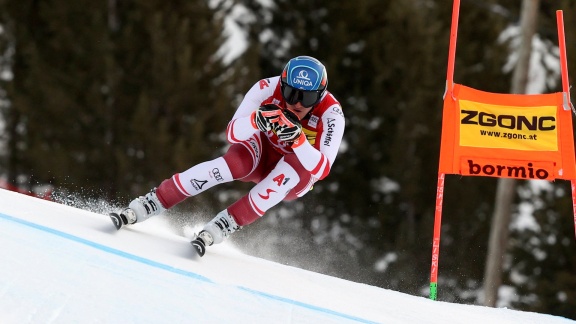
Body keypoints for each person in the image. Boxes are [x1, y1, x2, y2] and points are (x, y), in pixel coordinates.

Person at [110, 55, 345, 256]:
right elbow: (233, 133)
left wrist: (298, 140)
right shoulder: (266, 88)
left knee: (293, 167)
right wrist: (256, 120)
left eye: (308, 98)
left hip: (296, 171)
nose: (297, 104)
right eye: (291, 94)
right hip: (263, 151)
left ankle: (228, 222)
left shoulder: (332, 114)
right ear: (282, 85)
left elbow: (322, 169)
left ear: (321, 96)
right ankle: (156, 200)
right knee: (231, 165)